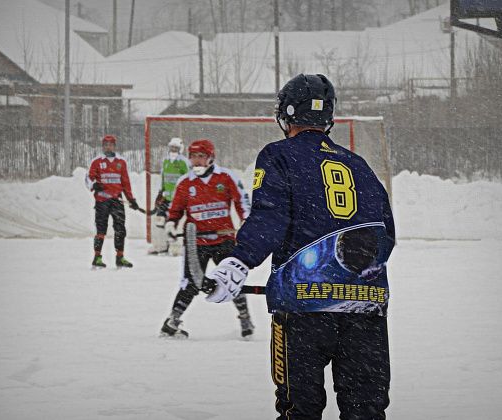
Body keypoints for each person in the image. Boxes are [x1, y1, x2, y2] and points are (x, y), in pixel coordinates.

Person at [205, 74, 396, 419]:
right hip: (366, 312)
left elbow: (270, 218)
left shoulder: (279, 155)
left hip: (304, 312)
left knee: (300, 411)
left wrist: (238, 261)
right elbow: (386, 234)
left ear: (287, 114)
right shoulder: (359, 165)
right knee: (366, 411)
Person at [160, 139, 254, 339]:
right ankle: (172, 322)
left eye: (200, 156)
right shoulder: (185, 182)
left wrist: (247, 222)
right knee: (190, 283)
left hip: (224, 240)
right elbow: (175, 209)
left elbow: (242, 202)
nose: (196, 161)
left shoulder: (226, 177)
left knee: (231, 280)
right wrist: (171, 224)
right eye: (193, 157)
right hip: (197, 243)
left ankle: (245, 320)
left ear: (210, 158)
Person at [85, 134, 139, 268]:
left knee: (120, 229)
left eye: (110, 144)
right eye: (105, 144)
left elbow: (125, 183)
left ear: (114, 146)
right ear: (103, 146)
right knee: (101, 229)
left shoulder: (121, 162)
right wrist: (93, 185)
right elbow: (88, 178)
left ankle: (120, 257)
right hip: (102, 200)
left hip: (117, 201)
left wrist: (131, 199)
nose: (108, 146)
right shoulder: (97, 162)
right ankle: (97, 257)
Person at [150, 137, 190, 255]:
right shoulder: (166, 161)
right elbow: (164, 177)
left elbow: (187, 180)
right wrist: (160, 192)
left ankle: (176, 247)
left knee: (174, 224)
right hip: (167, 198)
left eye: (175, 148)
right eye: (171, 147)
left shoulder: (183, 162)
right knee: (160, 220)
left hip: (179, 200)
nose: (173, 150)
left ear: (180, 149)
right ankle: (162, 246)